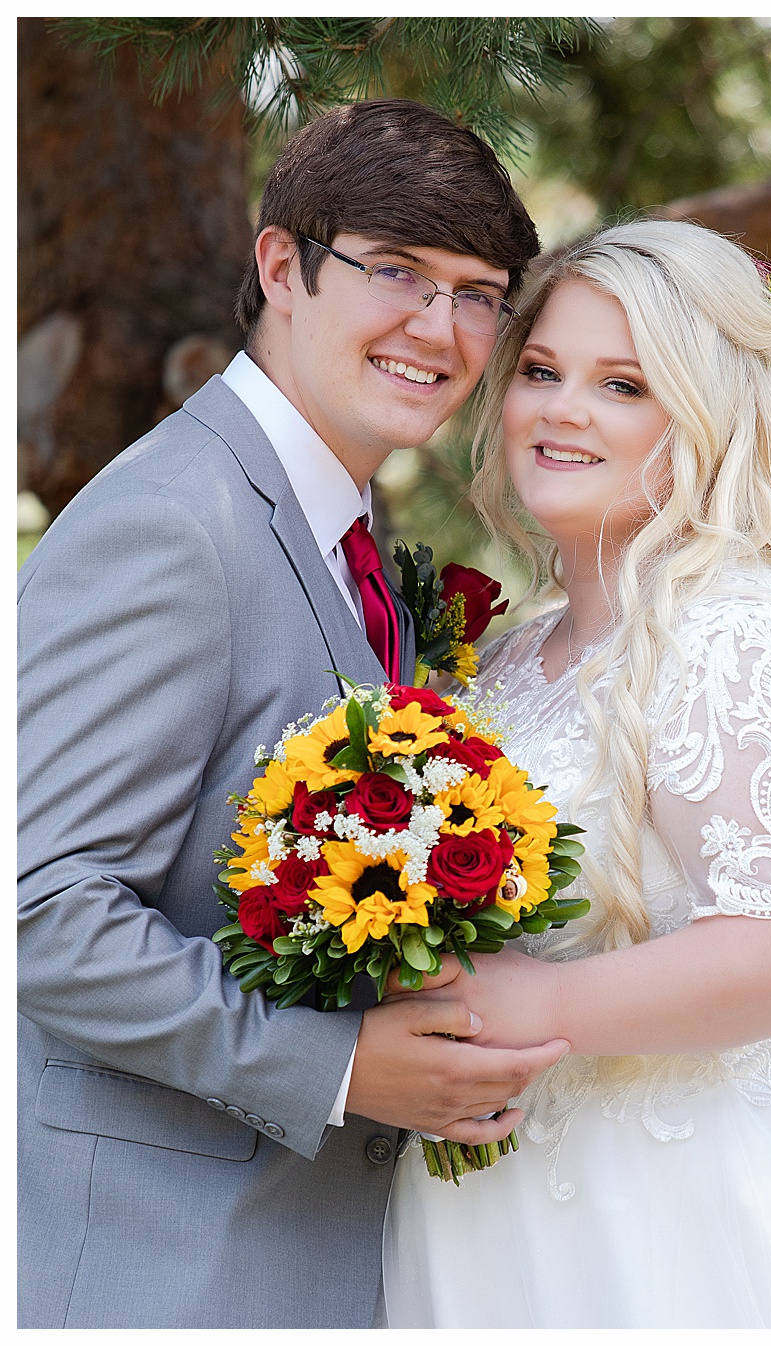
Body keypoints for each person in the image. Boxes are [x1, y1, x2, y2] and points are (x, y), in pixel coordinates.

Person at [18, 100, 568, 1329]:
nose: (442, 327)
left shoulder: (351, 537)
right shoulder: (174, 520)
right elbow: (44, 915)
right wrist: (343, 1067)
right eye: (397, 272)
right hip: (167, 1267)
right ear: (280, 264)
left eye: (479, 292)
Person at [378, 219, 771, 1328]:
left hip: (691, 1230)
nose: (562, 409)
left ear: (708, 419)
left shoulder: (749, 637)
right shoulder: (512, 661)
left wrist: (542, 1001)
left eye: (623, 384)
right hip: (491, 1224)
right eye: (543, 372)